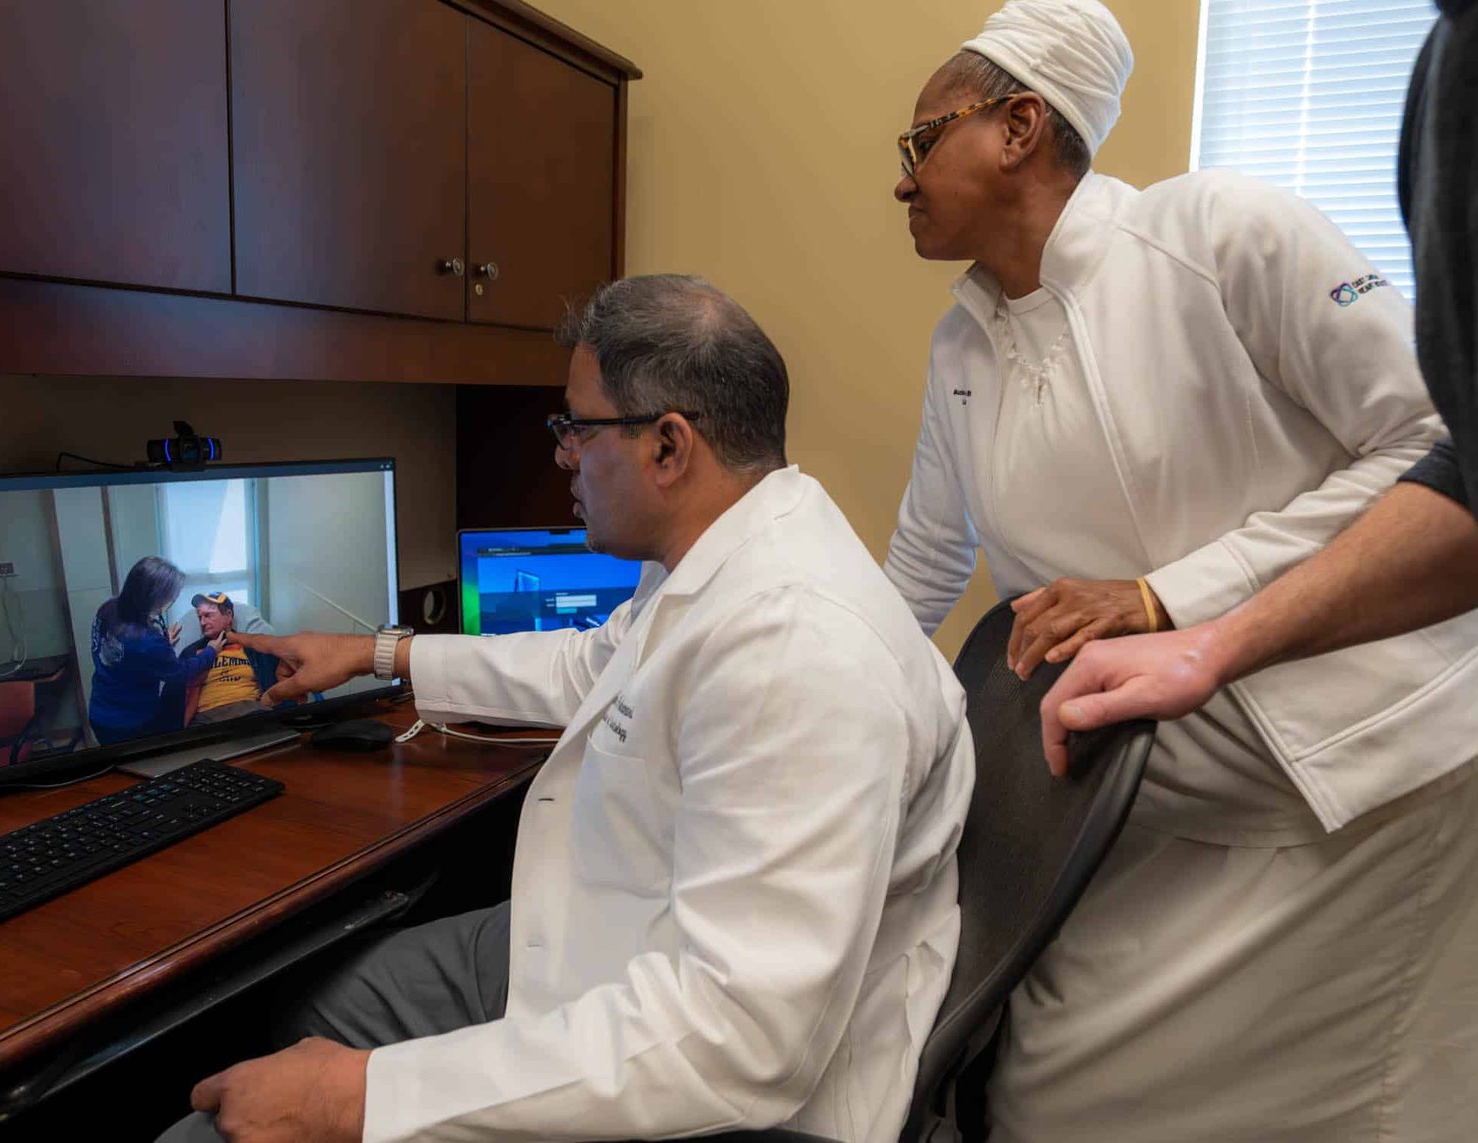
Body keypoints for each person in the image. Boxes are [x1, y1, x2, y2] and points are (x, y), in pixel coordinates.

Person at [883, 0, 1478, 1138]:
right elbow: (923, 565)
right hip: (1145, 805)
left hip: (1370, 784)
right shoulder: (963, 344)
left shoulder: (1216, 234)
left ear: (1017, 125)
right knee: (1049, 1095)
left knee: (1402, 1101)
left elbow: (1441, 444)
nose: (900, 180)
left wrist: (1168, 596)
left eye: (920, 141)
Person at [157, 274, 975, 1143]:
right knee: (327, 999)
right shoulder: (723, 553)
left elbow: (736, 1040)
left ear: (669, 445)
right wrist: (377, 652)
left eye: (576, 428)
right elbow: (590, 663)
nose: (560, 455)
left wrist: (359, 1098)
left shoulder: (799, 651)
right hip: (627, 934)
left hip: (720, 1082)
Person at [88, 556, 225, 746]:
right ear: (154, 597)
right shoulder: (147, 642)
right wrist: (210, 652)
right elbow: (180, 673)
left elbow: (120, 655)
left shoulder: (108, 608)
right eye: (172, 597)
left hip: (100, 710)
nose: (174, 600)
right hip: (128, 723)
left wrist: (161, 643)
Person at [179, 593, 281, 725]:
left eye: (208, 615)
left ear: (228, 615)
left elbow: (277, 684)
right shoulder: (191, 653)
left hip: (250, 711)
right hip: (206, 719)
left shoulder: (253, 646)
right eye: (200, 617)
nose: (202, 622)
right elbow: (177, 693)